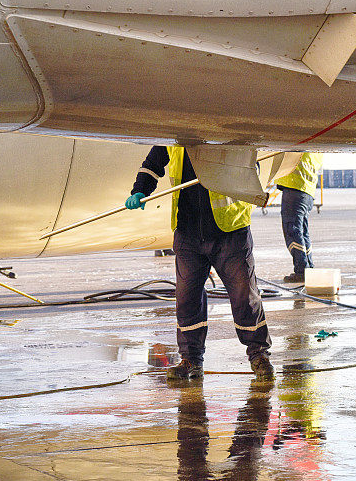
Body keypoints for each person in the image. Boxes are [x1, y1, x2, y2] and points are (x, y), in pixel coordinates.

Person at [125, 146, 273, 380]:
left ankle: (259, 356)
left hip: (229, 228)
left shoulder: (222, 131)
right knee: (187, 300)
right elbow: (152, 165)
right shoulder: (174, 136)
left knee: (245, 296)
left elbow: (249, 167)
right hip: (187, 231)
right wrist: (140, 189)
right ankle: (191, 360)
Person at [275, 152, 323, 283]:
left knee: (292, 230)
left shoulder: (301, 141)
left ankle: (302, 270)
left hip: (294, 188)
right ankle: (308, 268)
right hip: (306, 191)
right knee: (302, 232)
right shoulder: (316, 149)